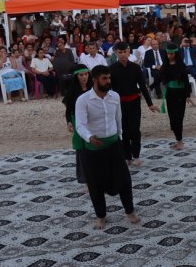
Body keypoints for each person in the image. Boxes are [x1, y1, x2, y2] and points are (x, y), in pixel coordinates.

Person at [74, 65, 140, 230]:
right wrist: (90, 137)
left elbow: (118, 120)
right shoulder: (83, 100)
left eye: (109, 78)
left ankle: (130, 211)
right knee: (95, 184)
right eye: (104, 78)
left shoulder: (115, 96)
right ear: (95, 80)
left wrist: (120, 138)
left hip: (114, 144)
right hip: (93, 148)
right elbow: (80, 125)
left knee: (124, 180)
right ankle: (101, 216)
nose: (108, 81)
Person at [110, 41, 159, 167]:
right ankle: (127, 157)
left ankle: (136, 155)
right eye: (119, 53)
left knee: (135, 130)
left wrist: (150, 104)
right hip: (119, 104)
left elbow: (143, 86)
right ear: (115, 53)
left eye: (124, 52)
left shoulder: (135, 68)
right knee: (123, 131)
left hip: (134, 103)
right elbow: (108, 89)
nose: (122, 55)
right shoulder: (111, 69)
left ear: (128, 51)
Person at [159, 43, 191, 150]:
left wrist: (188, 95)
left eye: (171, 54)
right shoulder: (165, 65)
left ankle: (180, 141)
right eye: (168, 54)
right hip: (170, 94)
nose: (169, 56)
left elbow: (186, 81)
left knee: (178, 118)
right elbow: (161, 78)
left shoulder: (181, 65)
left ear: (175, 53)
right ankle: (178, 140)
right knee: (172, 118)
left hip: (180, 93)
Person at [63, 64, 90, 185]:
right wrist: (69, 122)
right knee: (82, 151)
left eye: (86, 74)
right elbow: (68, 109)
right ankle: (85, 180)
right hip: (78, 121)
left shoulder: (94, 88)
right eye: (81, 75)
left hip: (93, 121)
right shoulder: (72, 91)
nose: (84, 77)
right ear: (76, 76)